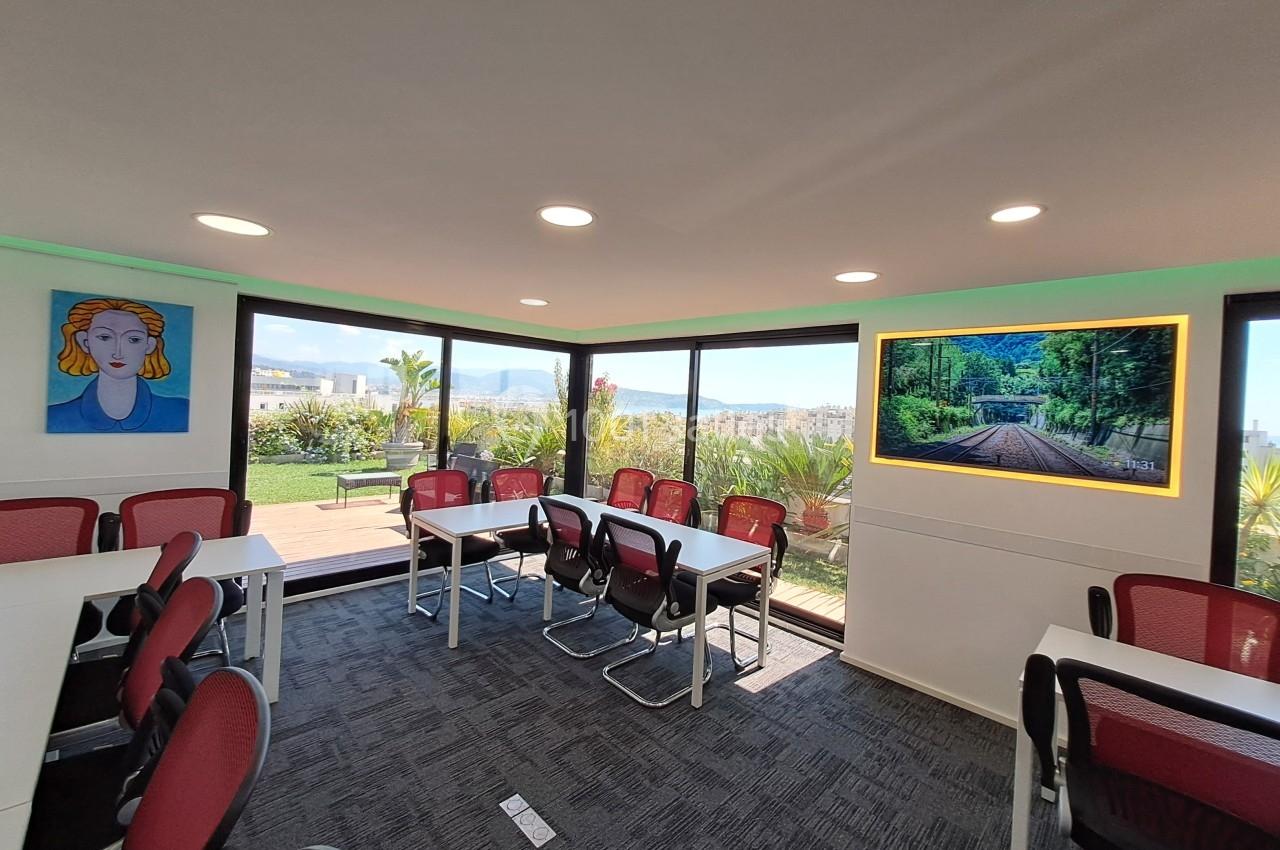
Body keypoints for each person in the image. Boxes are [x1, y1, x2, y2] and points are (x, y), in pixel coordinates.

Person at [47, 297, 189, 433]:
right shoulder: (54, 416)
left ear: (149, 345)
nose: (118, 353)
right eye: (104, 337)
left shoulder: (181, 411)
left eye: (133, 339)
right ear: (85, 342)